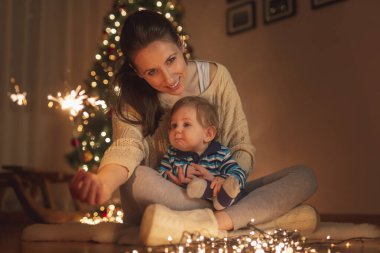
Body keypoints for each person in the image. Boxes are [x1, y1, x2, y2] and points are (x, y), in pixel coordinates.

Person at [22, 9, 318, 246]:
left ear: (179, 42)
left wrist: (230, 184)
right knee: (138, 177)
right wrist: (102, 184)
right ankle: (246, 218)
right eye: (152, 71)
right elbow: (127, 147)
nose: (169, 77)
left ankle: (214, 223)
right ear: (138, 72)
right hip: (167, 197)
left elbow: (241, 145)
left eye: (171, 60)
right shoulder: (132, 98)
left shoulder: (216, 78)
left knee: (304, 175)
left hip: (219, 196)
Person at [158, 96, 247, 210]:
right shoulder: (172, 154)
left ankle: (221, 200)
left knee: (239, 193)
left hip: (217, 199)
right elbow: (160, 175)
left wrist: (223, 180)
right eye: (174, 125)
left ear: (208, 134)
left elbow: (238, 172)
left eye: (186, 124)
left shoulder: (219, 153)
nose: (177, 130)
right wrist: (180, 172)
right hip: (187, 203)